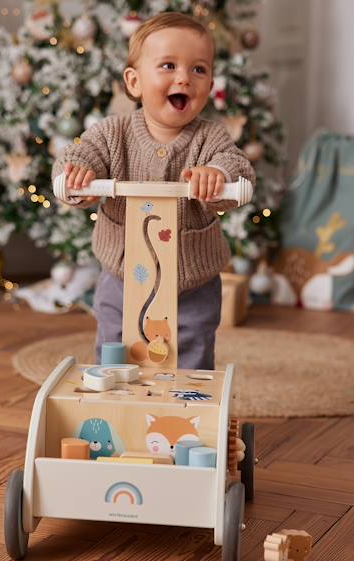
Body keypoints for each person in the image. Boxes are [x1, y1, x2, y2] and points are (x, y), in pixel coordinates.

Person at [52, 12, 255, 369]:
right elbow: (79, 154)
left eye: (199, 70)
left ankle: (189, 410)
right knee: (115, 343)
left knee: (191, 350)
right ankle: (116, 403)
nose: (184, 78)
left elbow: (236, 167)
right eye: (168, 66)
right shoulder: (112, 133)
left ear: (210, 85)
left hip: (191, 280)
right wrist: (78, 176)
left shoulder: (211, 137)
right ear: (134, 82)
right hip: (123, 274)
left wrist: (217, 175)